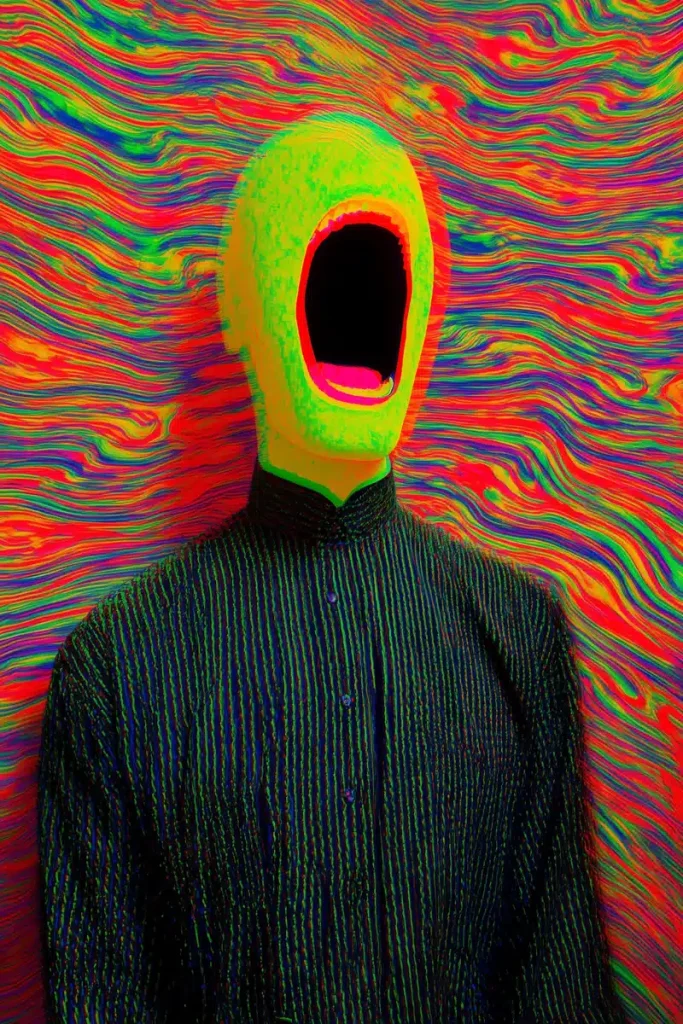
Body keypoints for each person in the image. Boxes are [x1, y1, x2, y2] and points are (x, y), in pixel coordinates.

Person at [37, 111, 626, 1022]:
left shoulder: (518, 639)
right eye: (336, 274)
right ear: (236, 310)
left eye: (377, 280)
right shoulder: (116, 675)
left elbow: (562, 992)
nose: (359, 302)